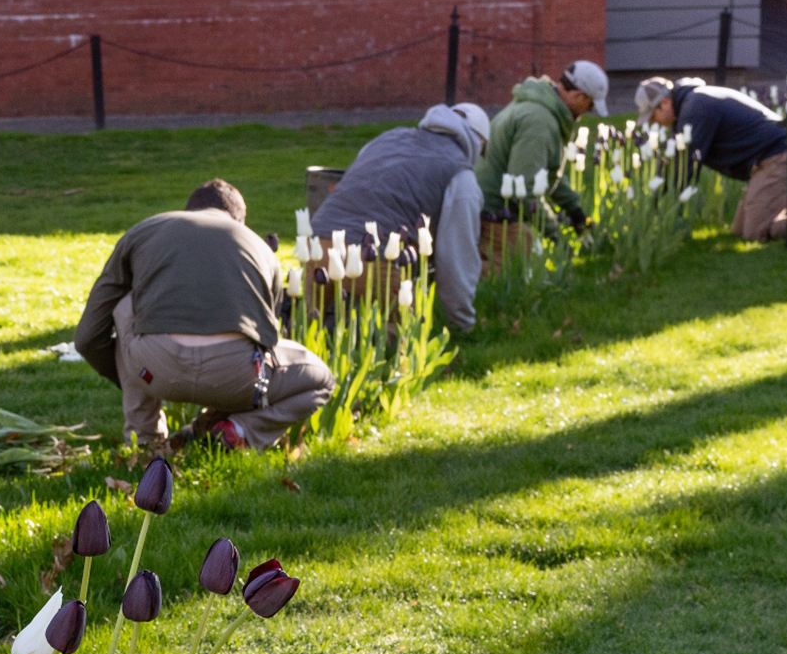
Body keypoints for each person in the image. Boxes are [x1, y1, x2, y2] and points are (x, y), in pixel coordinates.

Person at [72, 179, 333, 452]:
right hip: (237, 377)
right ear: (239, 220)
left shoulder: (144, 231)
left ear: (189, 210)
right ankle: (239, 430)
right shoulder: (260, 248)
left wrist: (132, 375)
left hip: (154, 369)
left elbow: (88, 335)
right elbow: (268, 340)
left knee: (125, 306)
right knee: (321, 380)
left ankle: (146, 440)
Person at [310, 102, 490, 333]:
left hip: (316, 244)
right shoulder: (460, 174)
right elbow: (456, 258)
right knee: (406, 344)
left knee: (310, 335)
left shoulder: (387, 138)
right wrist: (462, 324)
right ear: (479, 142)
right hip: (374, 259)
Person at [473, 59, 607, 263]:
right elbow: (526, 188)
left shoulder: (538, 107)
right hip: (492, 215)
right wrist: (558, 239)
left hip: (487, 207)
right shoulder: (539, 122)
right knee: (529, 271)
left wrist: (575, 211)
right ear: (579, 96)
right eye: (589, 106)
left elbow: (542, 172)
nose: (586, 113)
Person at [633, 76, 787, 241]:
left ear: (665, 103)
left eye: (652, 116)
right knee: (739, 232)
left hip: (777, 156)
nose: (652, 122)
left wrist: (658, 208)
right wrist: (652, 206)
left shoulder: (696, 108)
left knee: (756, 233)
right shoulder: (687, 107)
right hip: (762, 162)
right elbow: (674, 163)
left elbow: (685, 165)